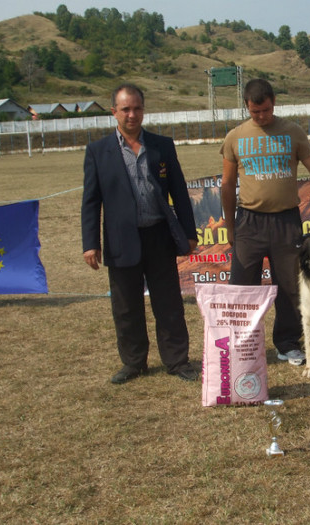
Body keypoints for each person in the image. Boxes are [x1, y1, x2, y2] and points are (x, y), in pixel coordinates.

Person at [82, 83, 199, 384]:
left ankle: (177, 361)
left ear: (143, 110)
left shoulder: (162, 146)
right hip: (121, 240)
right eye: (125, 109)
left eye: (137, 108)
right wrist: (90, 243)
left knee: (169, 303)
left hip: (159, 236)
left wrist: (188, 233)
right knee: (126, 307)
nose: (132, 115)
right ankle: (134, 363)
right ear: (114, 112)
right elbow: (91, 201)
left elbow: (180, 193)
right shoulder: (98, 151)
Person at [220, 78, 310, 366]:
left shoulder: (292, 131)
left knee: (290, 285)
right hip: (249, 222)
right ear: (246, 106)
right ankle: (242, 343)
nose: (261, 116)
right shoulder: (235, 137)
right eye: (255, 112)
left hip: (286, 221)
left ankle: (287, 343)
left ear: (274, 104)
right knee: (243, 285)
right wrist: (230, 225)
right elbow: (227, 183)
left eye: (266, 111)